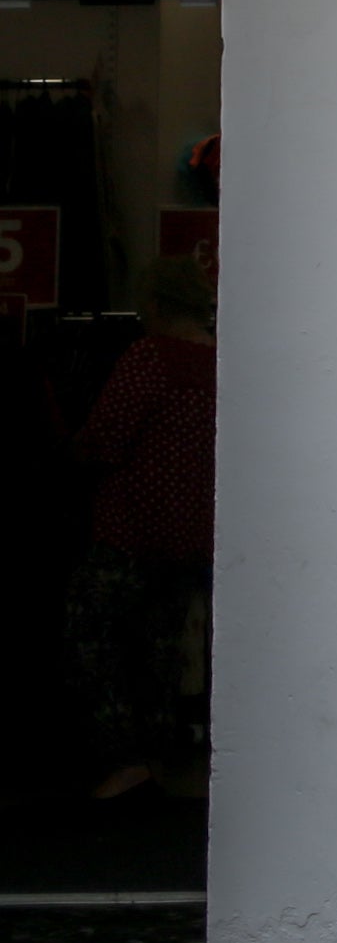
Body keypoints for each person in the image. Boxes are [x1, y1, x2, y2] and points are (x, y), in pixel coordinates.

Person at [70, 252, 217, 800]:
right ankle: (160, 757)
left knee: (91, 636)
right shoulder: (220, 365)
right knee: (163, 649)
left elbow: (103, 438)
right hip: (192, 537)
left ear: (154, 304)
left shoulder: (150, 358)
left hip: (131, 532)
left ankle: (124, 758)